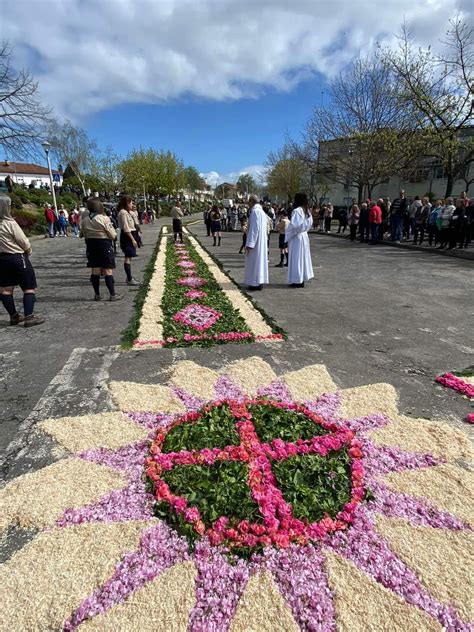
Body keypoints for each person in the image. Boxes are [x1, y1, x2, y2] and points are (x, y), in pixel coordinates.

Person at [0, 196, 44, 326]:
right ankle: (29, 316)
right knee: (28, 287)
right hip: (16, 257)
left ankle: (14, 316)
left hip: (2, 259)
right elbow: (22, 241)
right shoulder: (10, 223)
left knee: (5, 290)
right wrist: (28, 250)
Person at [80, 199, 122, 302]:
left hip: (91, 245)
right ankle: (112, 295)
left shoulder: (85, 220)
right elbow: (112, 235)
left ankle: (97, 294)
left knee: (95, 270)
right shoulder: (104, 218)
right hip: (104, 244)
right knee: (108, 270)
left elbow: (81, 234)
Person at [285, 192, 314, 288]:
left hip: (297, 237)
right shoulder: (307, 211)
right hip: (304, 236)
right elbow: (309, 224)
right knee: (303, 258)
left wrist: (288, 231)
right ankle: (301, 279)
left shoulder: (297, 211)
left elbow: (295, 226)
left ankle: (296, 280)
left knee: (296, 258)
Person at [244, 194, 269, 291]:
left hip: (256, 242)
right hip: (261, 241)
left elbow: (254, 229)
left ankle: (254, 283)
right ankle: (259, 281)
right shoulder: (261, 212)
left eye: (248, 202)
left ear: (251, 202)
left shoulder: (255, 212)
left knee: (254, 262)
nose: (248, 204)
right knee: (259, 262)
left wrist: (250, 243)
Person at [117, 196, 139, 285]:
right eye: (130, 203)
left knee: (129, 257)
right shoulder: (123, 213)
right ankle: (129, 278)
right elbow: (126, 228)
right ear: (126, 203)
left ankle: (129, 277)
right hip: (127, 236)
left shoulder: (127, 212)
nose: (132, 204)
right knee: (127, 257)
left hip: (131, 234)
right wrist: (133, 240)